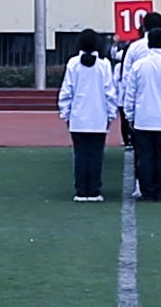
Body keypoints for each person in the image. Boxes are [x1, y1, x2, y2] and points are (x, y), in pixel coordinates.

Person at [122, 29, 161, 202]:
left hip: (143, 119)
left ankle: (147, 190)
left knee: (145, 157)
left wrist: (129, 115)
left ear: (148, 42)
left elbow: (130, 93)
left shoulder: (138, 66)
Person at [60, 30, 118, 202]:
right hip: (98, 117)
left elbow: (67, 91)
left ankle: (81, 190)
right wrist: (111, 114)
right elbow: (109, 92)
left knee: (80, 155)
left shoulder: (73, 64)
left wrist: (66, 113)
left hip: (78, 117)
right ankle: (94, 190)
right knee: (96, 155)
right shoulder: (104, 65)